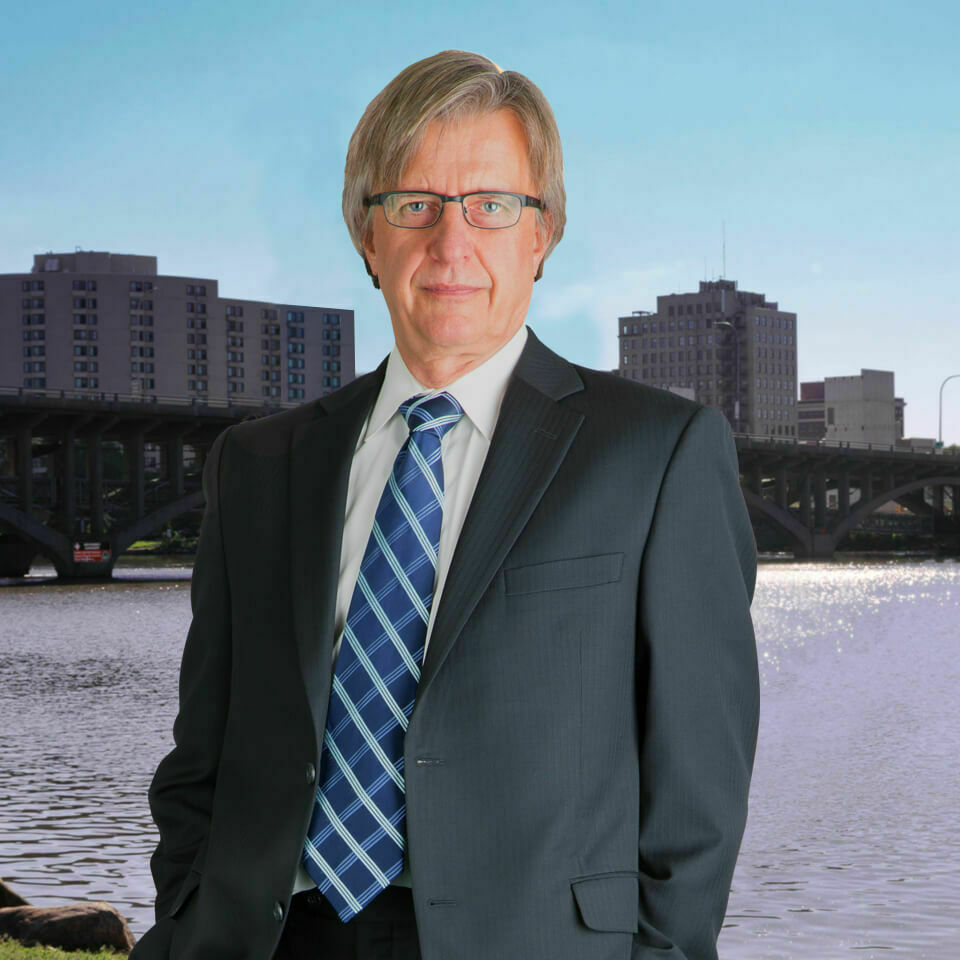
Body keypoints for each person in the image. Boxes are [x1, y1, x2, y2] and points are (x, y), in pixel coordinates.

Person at [131, 50, 759, 960]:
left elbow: (698, 790)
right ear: (366, 233)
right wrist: (186, 913)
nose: (450, 243)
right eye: (413, 204)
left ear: (542, 235)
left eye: (492, 207)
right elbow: (204, 750)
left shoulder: (656, 453)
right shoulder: (260, 463)